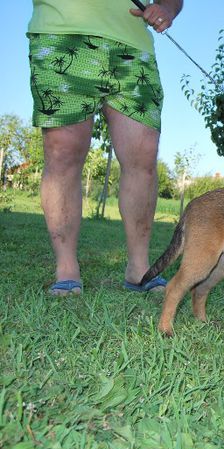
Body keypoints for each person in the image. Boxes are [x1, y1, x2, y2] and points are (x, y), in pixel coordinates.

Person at [27, 0, 183, 295]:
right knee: (63, 150)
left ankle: (139, 268)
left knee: (144, 153)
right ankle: (66, 269)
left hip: (133, 44)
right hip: (62, 32)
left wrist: (167, 8)